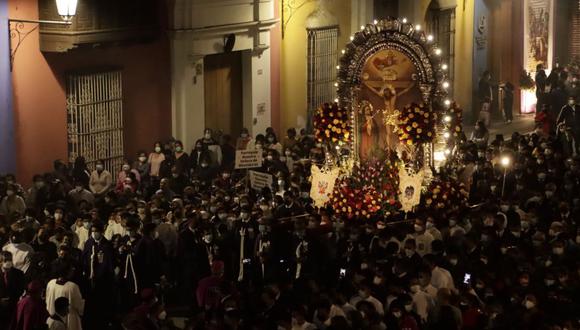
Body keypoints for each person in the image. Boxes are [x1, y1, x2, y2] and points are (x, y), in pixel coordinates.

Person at [45, 264, 83, 330]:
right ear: (67, 272)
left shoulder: (50, 283)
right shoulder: (73, 286)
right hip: (69, 319)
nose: (73, 272)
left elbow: (47, 300)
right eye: (71, 270)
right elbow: (79, 305)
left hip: (52, 318)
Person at [0, 251, 25, 329]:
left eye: (10, 260)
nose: (8, 262)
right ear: (0, 262)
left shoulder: (19, 274)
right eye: (5, 260)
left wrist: (11, 299)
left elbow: (21, 289)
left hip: (13, 308)